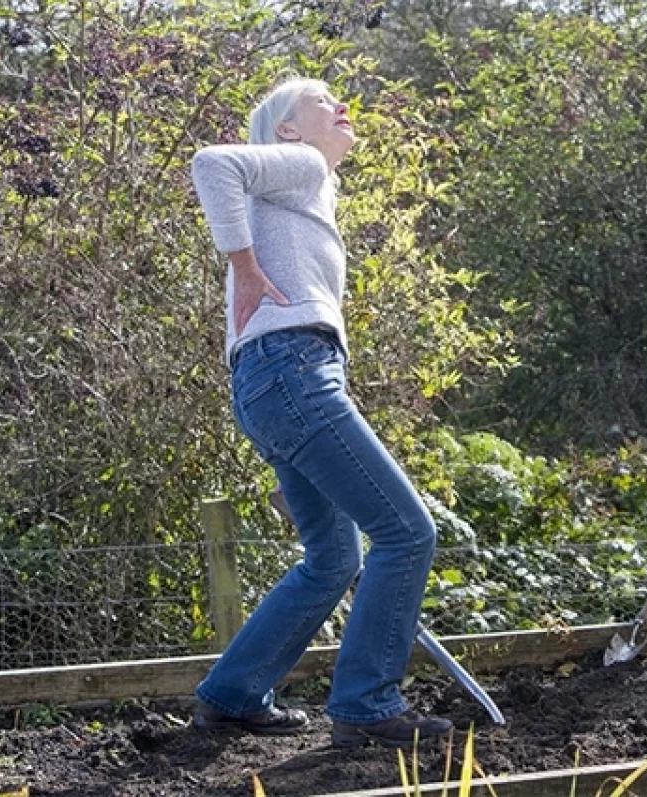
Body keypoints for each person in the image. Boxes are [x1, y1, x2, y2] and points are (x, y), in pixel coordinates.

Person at [188, 76, 454, 747]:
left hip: (276, 386)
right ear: (287, 130)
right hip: (290, 375)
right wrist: (244, 268)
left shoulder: (304, 192)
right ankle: (367, 702)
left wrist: (299, 442)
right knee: (407, 532)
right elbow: (211, 162)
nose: (341, 106)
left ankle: (233, 693)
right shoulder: (301, 166)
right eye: (321, 100)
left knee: (334, 555)